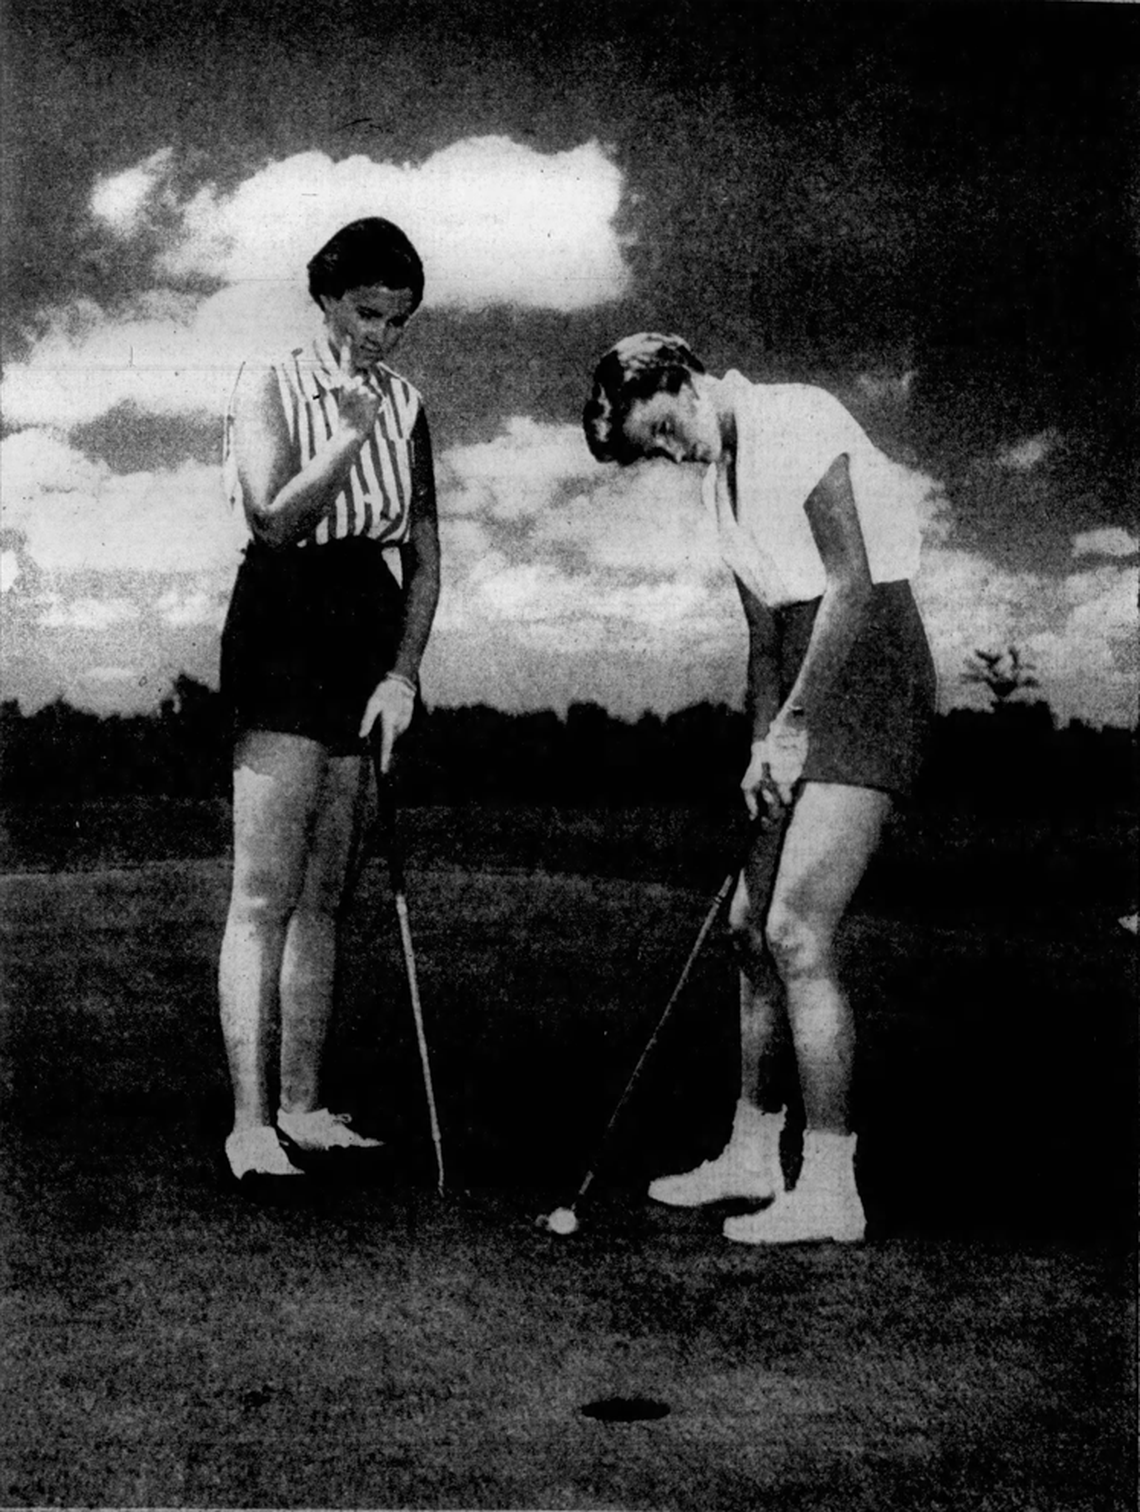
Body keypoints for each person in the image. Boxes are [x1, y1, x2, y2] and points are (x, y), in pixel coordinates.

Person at [583, 333, 935, 1243]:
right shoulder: (718, 485)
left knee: (796, 931)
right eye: (651, 448)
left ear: (680, 380)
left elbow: (851, 588)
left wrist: (798, 729)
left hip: (869, 664)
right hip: (803, 683)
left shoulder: (793, 415)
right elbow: (764, 635)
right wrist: (759, 747)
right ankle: (751, 1152)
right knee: (747, 930)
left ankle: (829, 1187)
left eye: (660, 429)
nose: (669, 451)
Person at [217, 218, 440, 1180]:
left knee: (326, 896)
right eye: (364, 313)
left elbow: (426, 560)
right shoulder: (269, 382)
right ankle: (249, 1124)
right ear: (325, 299)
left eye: (397, 320)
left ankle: (305, 1109)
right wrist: (345, 440)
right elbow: (272, 522)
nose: (379, 337)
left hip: (366, 622)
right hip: (283, 615)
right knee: (264, 892)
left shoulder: (410, 402)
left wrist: (402, 673)